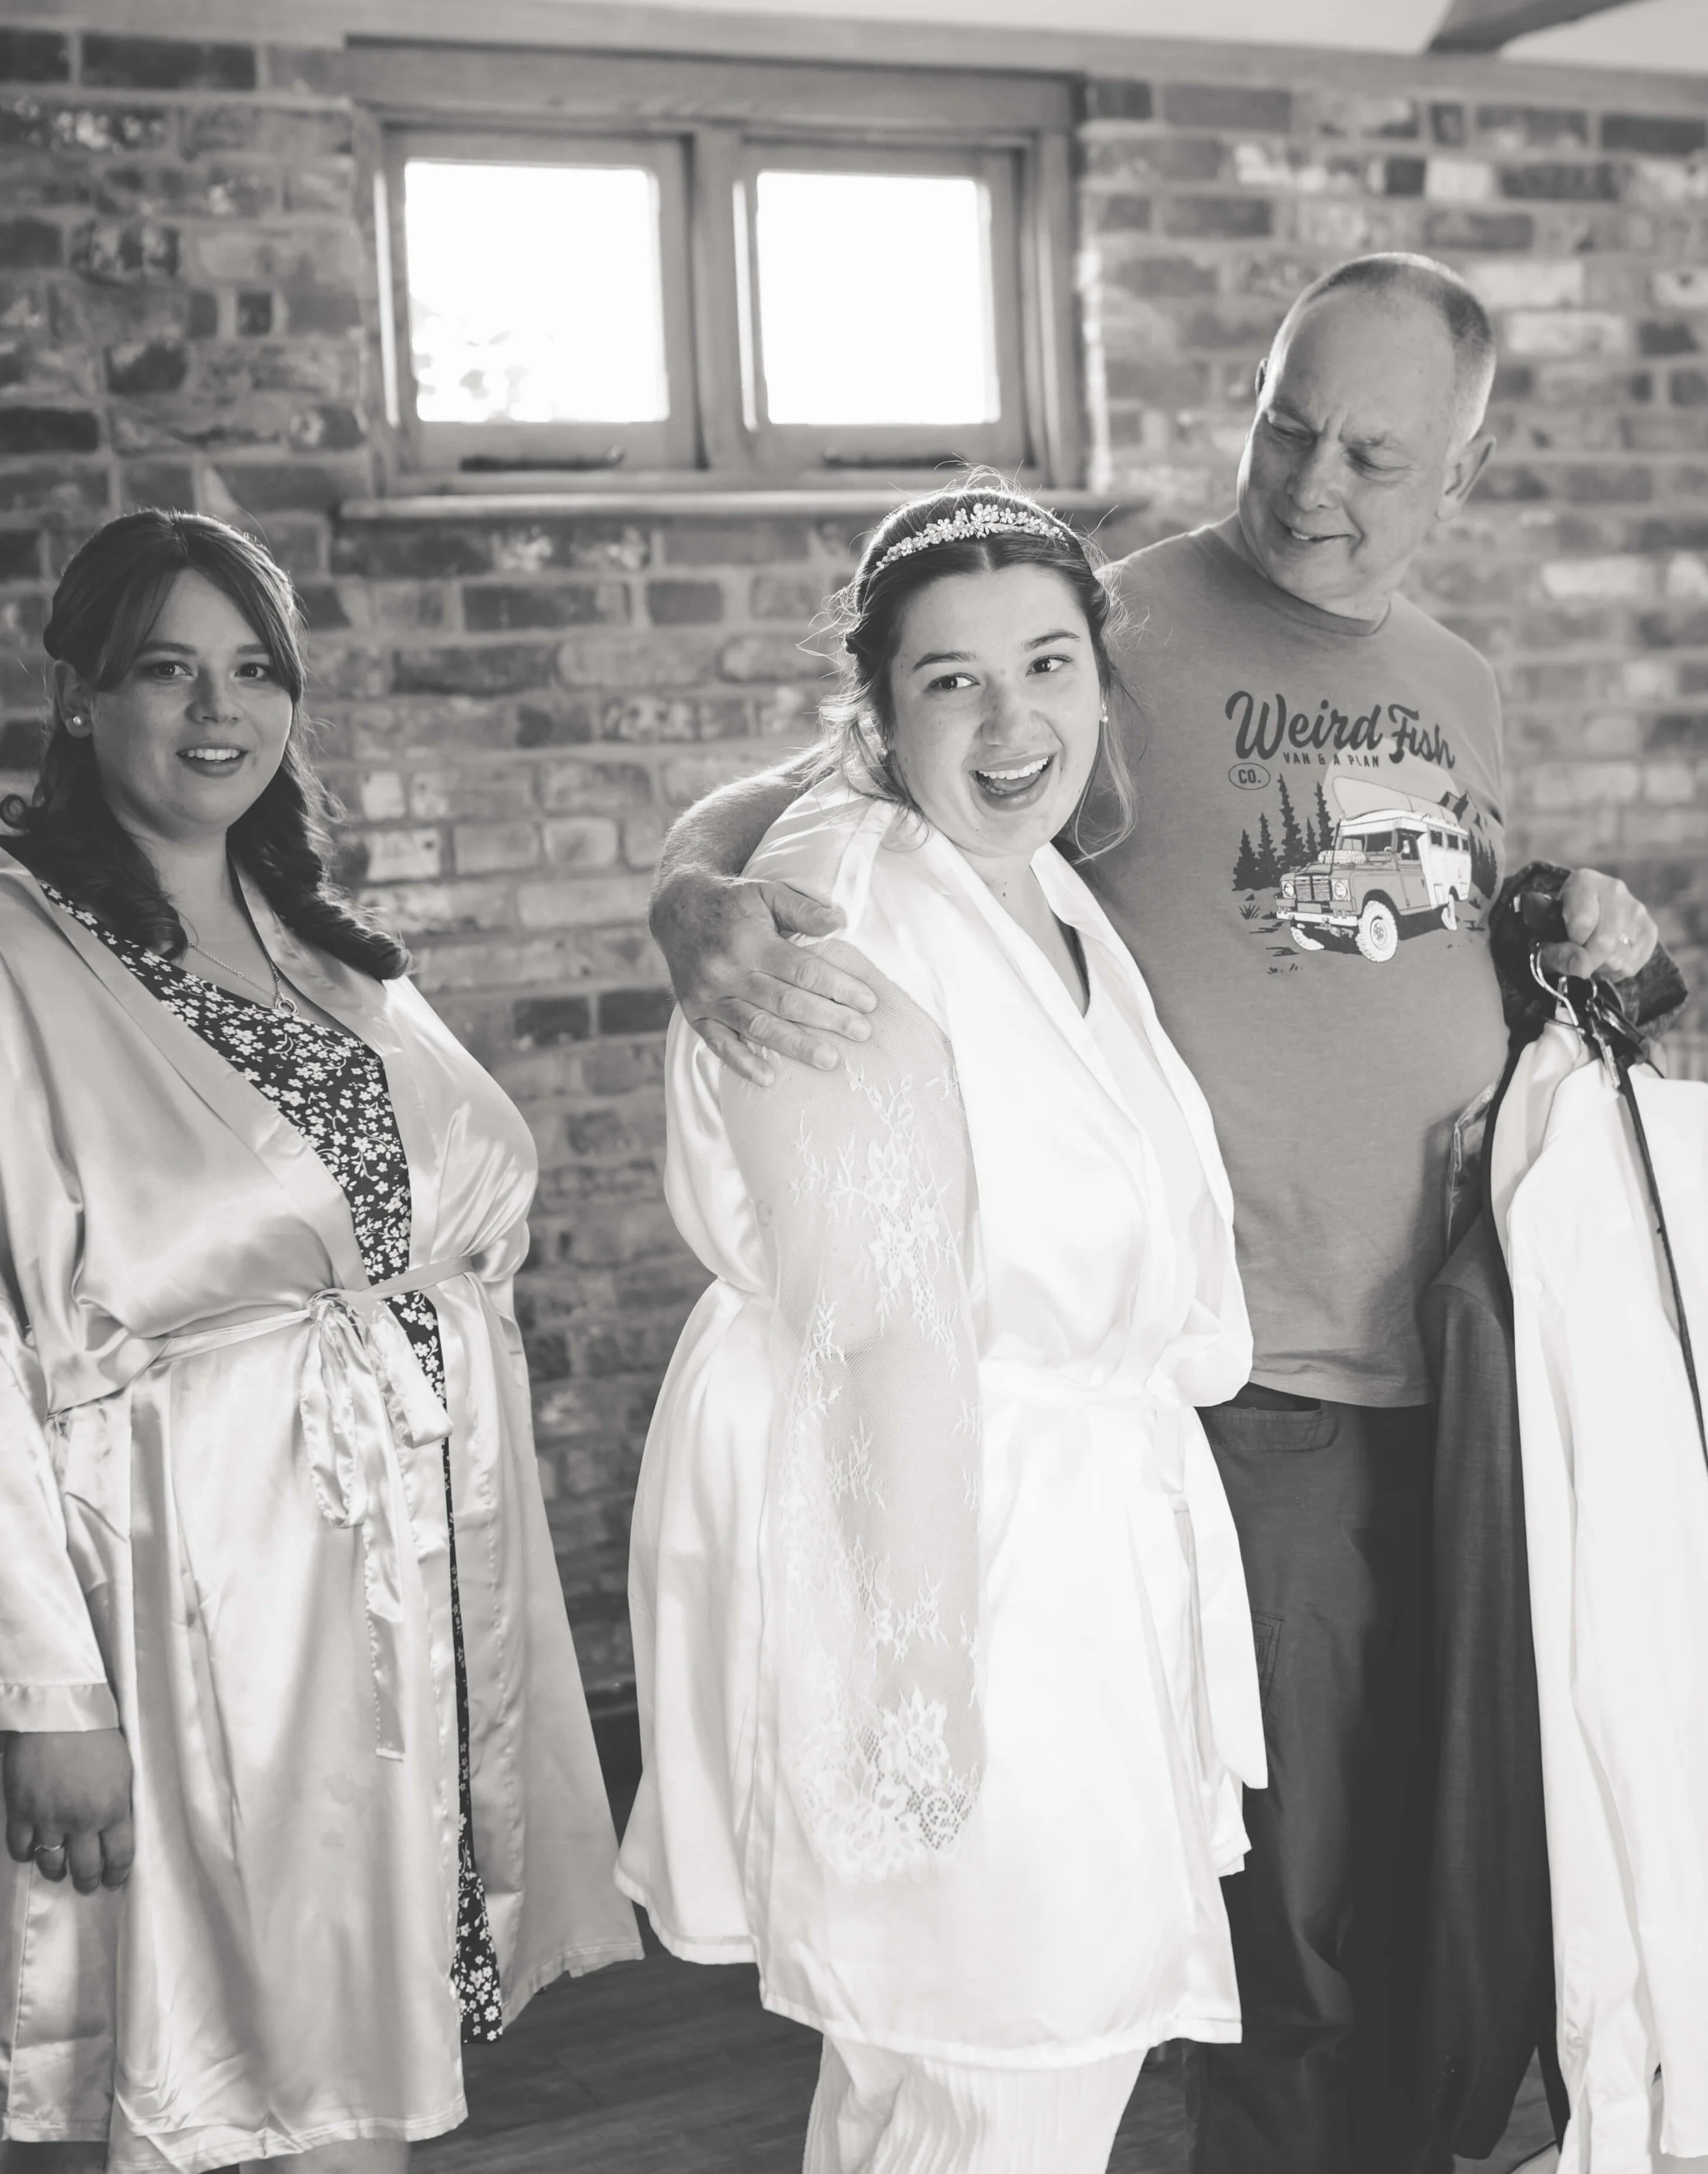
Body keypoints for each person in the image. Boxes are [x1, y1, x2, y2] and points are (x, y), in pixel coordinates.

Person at [643, 256, 1667, 2174]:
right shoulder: (1103, 629)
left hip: (1457, 1362)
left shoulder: (1456, 679)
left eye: (1371, 454)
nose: (1311, 482)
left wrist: (1568, 917)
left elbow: (1424, 922)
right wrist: (687, 899)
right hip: (1241, 1386)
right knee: (1266, 1927)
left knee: (1451, 1880)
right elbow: (810, 782)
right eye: (1286, 426)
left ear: (1462, 464)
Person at [618, 488, 1267, 2174]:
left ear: (1101, 677)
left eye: (1046, 664)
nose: (1008, 722)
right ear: (877, 709)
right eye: (949, 682)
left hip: (1065, 1553)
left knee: (946, 2087)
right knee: (1006, 2072)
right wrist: (918, 1697)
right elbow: (872, 1327)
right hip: (950, 1564)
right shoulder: (846, 913)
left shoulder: (1026, 881)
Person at [0, 510, 642, 2174]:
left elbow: (452, 1215)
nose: (218, 710)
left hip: (405, 1574)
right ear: (77, 695)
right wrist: (45, 1690)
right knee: (243, 2074)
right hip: (190, 1580)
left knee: (360, 2062)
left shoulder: (317, 941)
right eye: (166, 669)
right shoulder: (17, 952)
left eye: (253, 670)